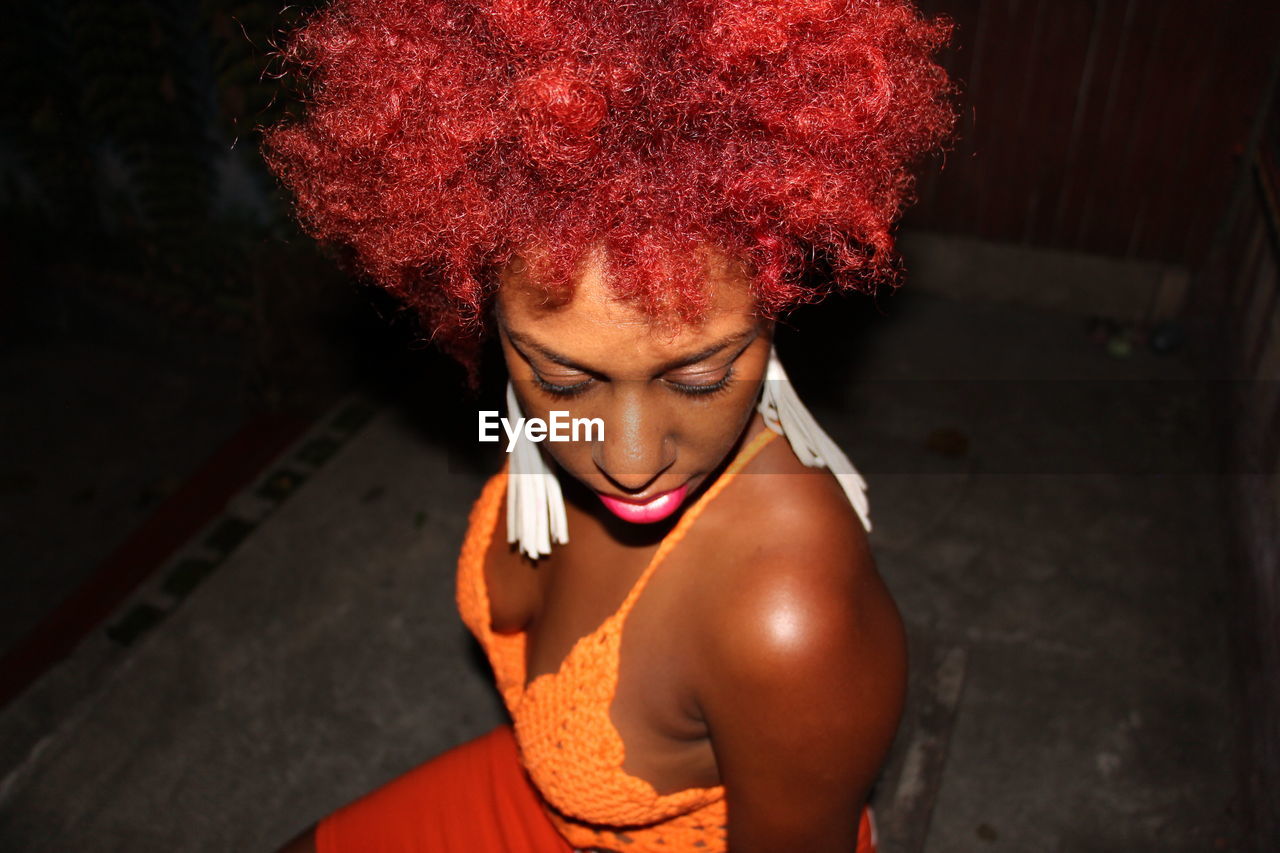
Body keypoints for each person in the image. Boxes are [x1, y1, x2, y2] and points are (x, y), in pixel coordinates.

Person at [264, 1, 954, 850]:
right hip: (528, 796)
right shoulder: (531, 431)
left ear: (777, 295)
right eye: (562, 378)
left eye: (700, 376)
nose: (629, 461)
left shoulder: (789, 612)